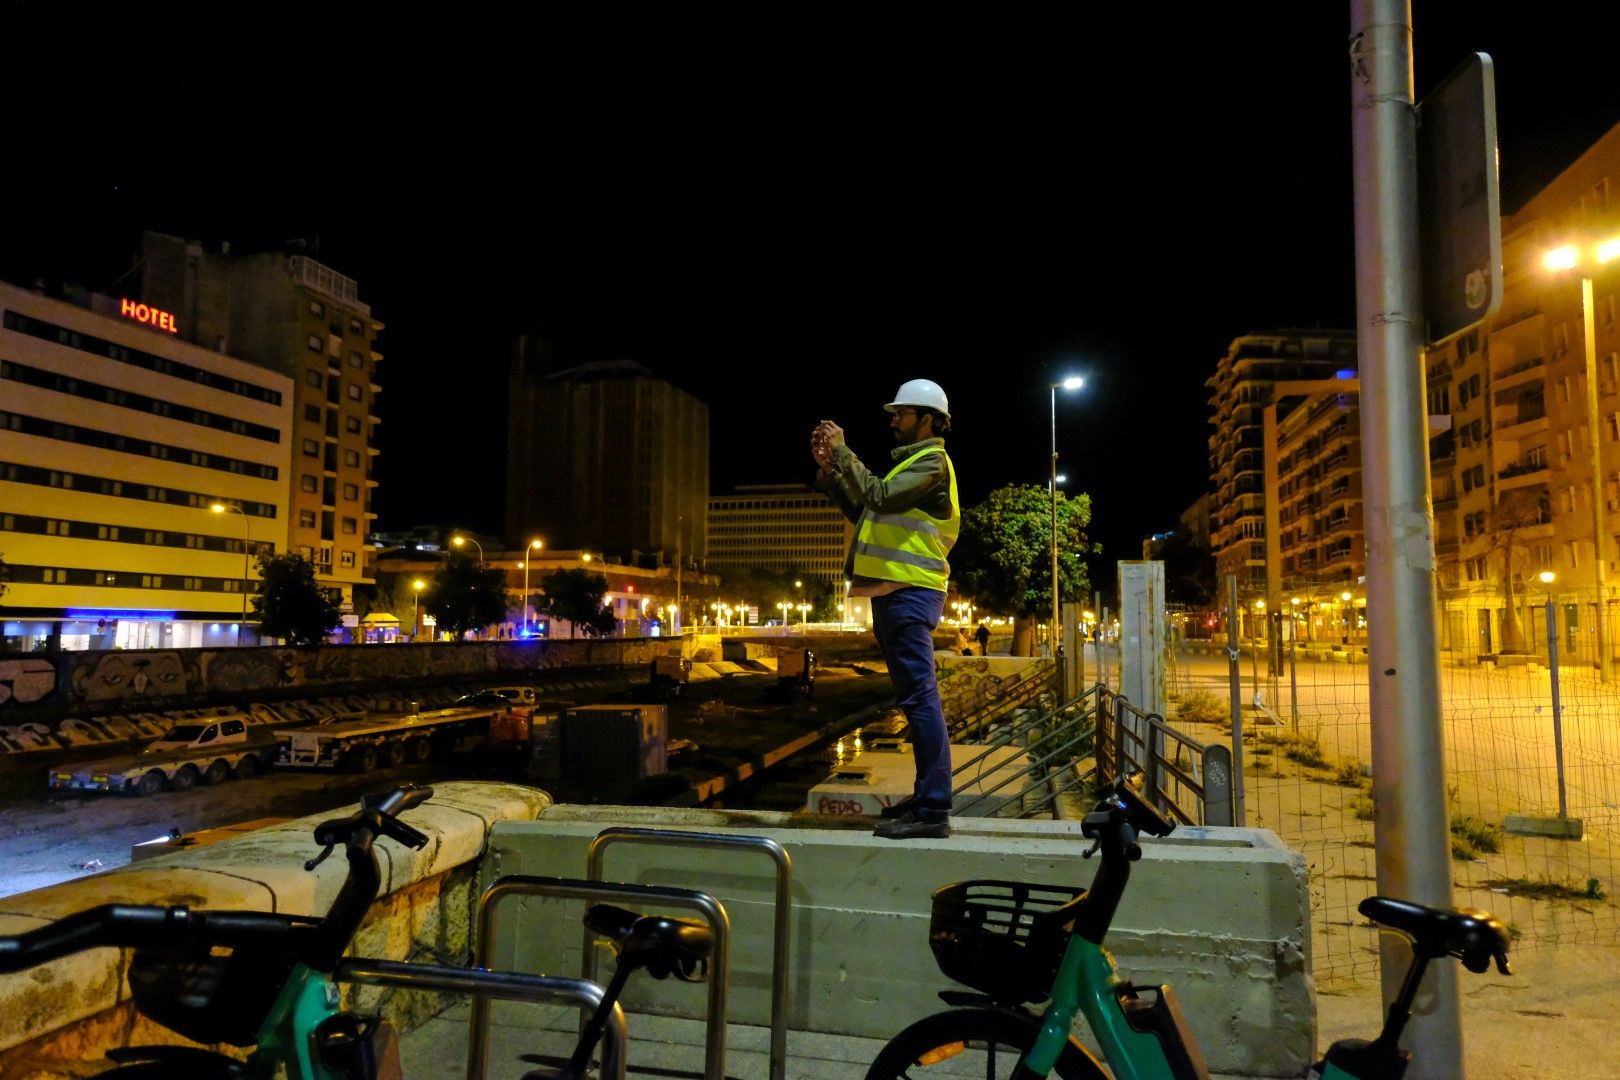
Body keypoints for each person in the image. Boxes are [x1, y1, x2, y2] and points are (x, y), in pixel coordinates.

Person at [813, 379, 958, 840]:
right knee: (915, 700)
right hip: (893, 592)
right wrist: (832, 471)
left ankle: (934, 809)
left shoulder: (933, 463)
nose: (893, 419)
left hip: (910, 592)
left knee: (920, 700)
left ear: (929, 420)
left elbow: (874, 495)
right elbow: (865, 511)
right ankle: (925, 798)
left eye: (902, 413)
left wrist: (842, 452)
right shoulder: (909, 468)